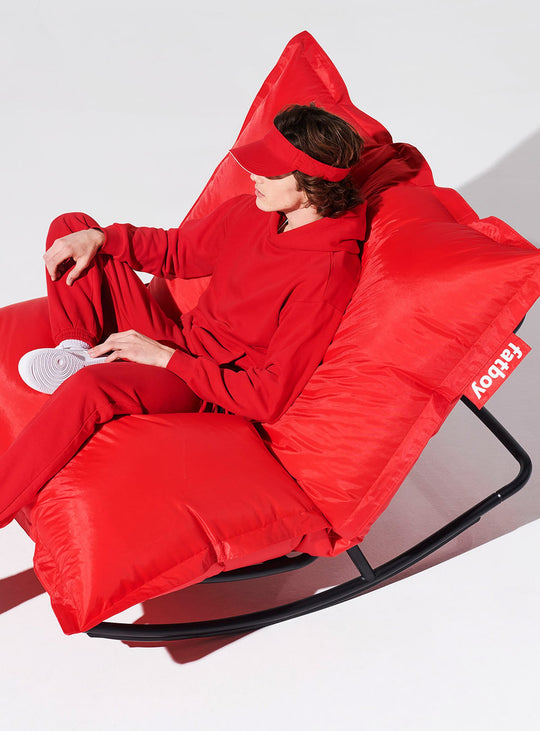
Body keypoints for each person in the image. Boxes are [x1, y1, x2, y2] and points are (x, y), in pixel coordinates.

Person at [0, 103, 366, 528]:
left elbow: (267, 398)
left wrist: (165, 359)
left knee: (91, 387)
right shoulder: (254, 212)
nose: (254, 177)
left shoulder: (326, 273)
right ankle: (76, 351)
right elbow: (177, 252)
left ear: (311, 183)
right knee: (73, 228)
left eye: (270, 172)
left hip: (202, 386)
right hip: (176, 340)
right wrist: (102, 237)